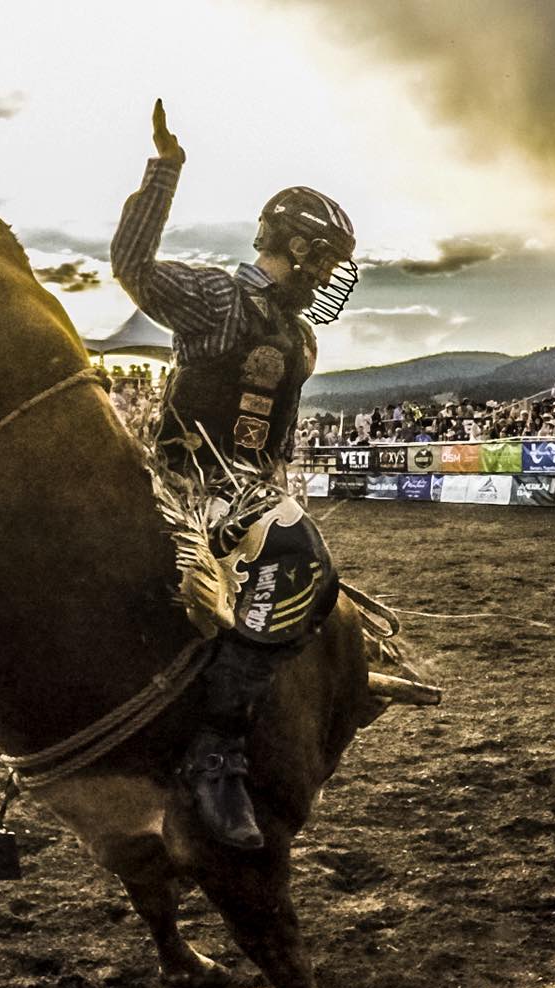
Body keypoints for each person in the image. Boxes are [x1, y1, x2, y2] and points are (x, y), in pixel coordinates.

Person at [111, 99, 358, 850]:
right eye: (320, 261)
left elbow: (272, 437)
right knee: (295, 558)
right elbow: (132, 268)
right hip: (182, 482)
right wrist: (164, 171)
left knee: (317, 593)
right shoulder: (221, 298)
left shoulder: (301, 337)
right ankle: (215, 753)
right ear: (288, 246)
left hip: (247, 491)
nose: (325, 278)